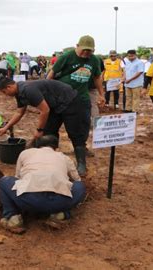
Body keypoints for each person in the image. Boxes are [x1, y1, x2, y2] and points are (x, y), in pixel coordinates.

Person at [0, 76, 88, 176]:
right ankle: (51, 161)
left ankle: (81, 164)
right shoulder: (19, 93)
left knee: (75, 132)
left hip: (70, 101)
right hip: (55, 105)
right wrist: (6, 128)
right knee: (48, 132)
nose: (5, 95)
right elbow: (19, 113)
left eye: (4, 92)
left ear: (9, 87)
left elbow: (45, 110)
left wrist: (39, 130)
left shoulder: (28, 90)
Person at [0, 135, 85, 233]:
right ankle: (60, 215)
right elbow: (77, 179)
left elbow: (18, 177)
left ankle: (12, 217)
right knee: (79, 186)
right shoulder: (64, 158)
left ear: (37, 146)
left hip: (28, 201)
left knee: (3, 181)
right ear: (56, 148)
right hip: (58, 203)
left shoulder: (25, 153)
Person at [46, 35, 105, 175]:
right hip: (59, 99)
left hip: (80, 99)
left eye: (89, 51)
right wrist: (48, 93)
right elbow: (52, 74)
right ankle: (49, 159)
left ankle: (81, 163)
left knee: (78, 132)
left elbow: (97, 77)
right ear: (77, 46)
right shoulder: (67, 56)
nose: (86, 53)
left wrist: (102, 94)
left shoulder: (94, 60)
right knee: (50, 129)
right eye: (84, 50)